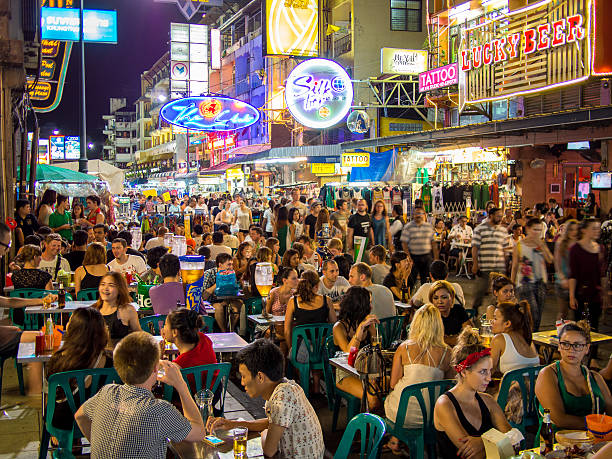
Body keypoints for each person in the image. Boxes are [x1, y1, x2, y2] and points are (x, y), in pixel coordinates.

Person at [74, 332, 206, 458]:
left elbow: (79, 416)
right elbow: (199, 434)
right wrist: (181, 385)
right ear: (155, 368)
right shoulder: (159, 410)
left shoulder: (106, 392)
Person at [206, 339, 324, 458]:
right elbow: (272, 422)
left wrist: (265, 434)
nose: (242, 382)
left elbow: (269, 451)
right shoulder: (286, 387)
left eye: (243, 376)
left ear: (260, 377)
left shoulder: (282, 397)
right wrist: (233, 424)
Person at [434, 328, 511, 459]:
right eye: (483, 372)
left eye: (489, 371)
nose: (489, 378)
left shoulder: (488, 401)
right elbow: (473, 455)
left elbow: (512, 438)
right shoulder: (445, 404)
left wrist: (481, 442)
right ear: (464, 372)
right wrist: (497, 441)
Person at [535, 322, 612, 431]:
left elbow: (610, 411)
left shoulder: (595, 378)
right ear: (559, 346)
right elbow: (559, 419)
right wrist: (596, 425)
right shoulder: (548, 375)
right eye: (566, 344)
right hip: (556, 442)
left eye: (577, 345)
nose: (571, 350)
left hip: (593, 438)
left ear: (587, 348)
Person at [385, 304, 453, 430]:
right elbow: (449, 386)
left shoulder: (404, 348)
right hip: (431, 418)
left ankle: (393, 440)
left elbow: (393, 384)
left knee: (386, 396)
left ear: (416, 323)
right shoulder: (447, 352)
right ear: (439, 325)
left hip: (399, 414)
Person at [46, 307, 111, 430]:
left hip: (63, 421)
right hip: (99, 419)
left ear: (73, 330)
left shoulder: (58, 360)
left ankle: (66, 445)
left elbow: (51, 395)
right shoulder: (109, 360)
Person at [284, 270, 337, 394]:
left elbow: (287, 329)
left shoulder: (294, 301)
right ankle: (317, 385)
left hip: (302, 351)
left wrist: (291, 347)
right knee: (317, 346)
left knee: (299, 354)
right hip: (324, 351)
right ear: (316, 286)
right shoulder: (326, 300)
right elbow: (334, 325)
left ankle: (304, 385)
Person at [333, 286, 381, 408]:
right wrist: (360, 329)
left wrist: (374, 332)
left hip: (366, 369)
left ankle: (373, 424)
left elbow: (377, 349)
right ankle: (366, 426)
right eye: (368, 303)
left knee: (389, 386)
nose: (371, 306)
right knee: (373, 398)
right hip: (346, 373)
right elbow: (349, 353)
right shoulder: (339, 327)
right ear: (359, 306)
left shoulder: (368, 324)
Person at [510, 217, 552, 332]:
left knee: (538, 313)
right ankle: (529, 337)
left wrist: (542, 246)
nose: (537, 233)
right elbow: (514, 266)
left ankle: (533, 338)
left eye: (539, 230)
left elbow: (550, 260)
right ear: (527, 229)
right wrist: (512, 285)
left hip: (540, 283)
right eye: (535, 230)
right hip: (524, 283)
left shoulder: (541, 245)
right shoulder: (519, 246)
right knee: (532, 313)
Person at [569, 218, 608, 330]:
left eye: (598, 228)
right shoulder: (575, 249)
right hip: (580, 293)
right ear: (584, 230)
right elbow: (573, 275)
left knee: (594, 327)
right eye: (594, 228)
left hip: (595, 294)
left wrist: (605, 294)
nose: (597, 231)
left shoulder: (601, 249)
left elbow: (603, 274)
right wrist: (572, 296)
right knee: (580, 327)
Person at [471, 207, 510, 313]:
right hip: (485, 266)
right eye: (498, 216)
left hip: (499, 266)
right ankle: (475, 310)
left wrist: (506, 262)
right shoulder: (480, 229)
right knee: (481, 290)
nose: (500, 218)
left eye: (501, 216)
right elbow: (475, 247)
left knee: (499, 291)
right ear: (491, 216)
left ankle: (497, 313)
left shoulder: (503, 230)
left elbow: (505, 248)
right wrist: (475, 264)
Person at [490, 301, 539, 375]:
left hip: (514, 386)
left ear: (507, 324)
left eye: (495, 318)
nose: (492, 322)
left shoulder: (499, 339)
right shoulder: (527, 338)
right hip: (534, 385)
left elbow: (489, 370)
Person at [94, 272, 140, 342]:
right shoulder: (92, 311)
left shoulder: (128, 310)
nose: (105, 288)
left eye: (111, 285)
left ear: (120, 289)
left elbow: (139, 335)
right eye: (103, 284)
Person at [203, 253, 240, 332]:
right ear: (220, 265)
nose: (231, 267)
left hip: (228, 300)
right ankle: (223, 332)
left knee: (237, 307)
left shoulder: (231, 274)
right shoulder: (208, 273)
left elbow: (234, 291)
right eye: (228, 265)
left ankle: (231, 330)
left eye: (232, 264)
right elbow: (204, 296)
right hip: (211, 301)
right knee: (218, 307)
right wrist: (218, 283)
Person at [401, 207, 437, 286]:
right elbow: (404, 243)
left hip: (426, 257)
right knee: (411, 280)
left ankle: (425, 296)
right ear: (413, 215)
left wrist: (435, 258)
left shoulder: (429, 227)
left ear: (424, 215)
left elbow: (433, 243)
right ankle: (408, 296)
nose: (418, 215)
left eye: (420, 213)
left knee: (426, 280)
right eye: (416, 213)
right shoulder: (408, 227)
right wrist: (408, 257)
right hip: (413, 257)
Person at [429, 280, 472, 346]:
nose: (440, 301)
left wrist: (446, 339)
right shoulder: (429, 316)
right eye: (436, 298)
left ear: (451, 298)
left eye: (444, 297)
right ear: (431, 301)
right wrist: (455, 338)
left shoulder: (458, 310)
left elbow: (470, 334)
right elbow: (431, 341)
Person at [267, 267, 298, 352]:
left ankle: (288, 358)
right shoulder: (273, 293)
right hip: (274, 326)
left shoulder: (295, 294)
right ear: (285, 280)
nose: (297, 280)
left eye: (297, 278)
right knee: (286, 336)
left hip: (289, 326)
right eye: (294, 278)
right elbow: (266, 313)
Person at [554, 219, 579, 320]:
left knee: (577, 312)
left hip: (577, 280)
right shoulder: (561, 243)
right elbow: (557, 262)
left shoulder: (579, 243)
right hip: (563, 280)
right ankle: (560, 332)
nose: (574, 232)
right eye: (571, 230)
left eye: (576, 230)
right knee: (563, 312)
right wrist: (562, 278)